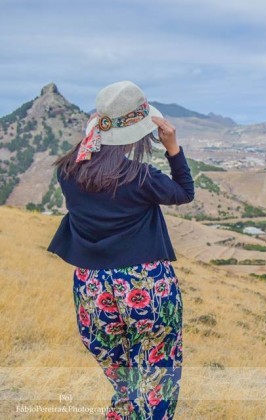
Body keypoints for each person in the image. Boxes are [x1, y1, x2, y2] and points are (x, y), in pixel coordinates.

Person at [47, 81, 194, 419]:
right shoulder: (140, 177)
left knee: (124, 383)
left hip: (91, 288)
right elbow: (184, 191)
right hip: (145, 285)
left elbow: (92, 164)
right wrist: (173, 147)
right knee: (156, 376)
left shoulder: (68, 172)